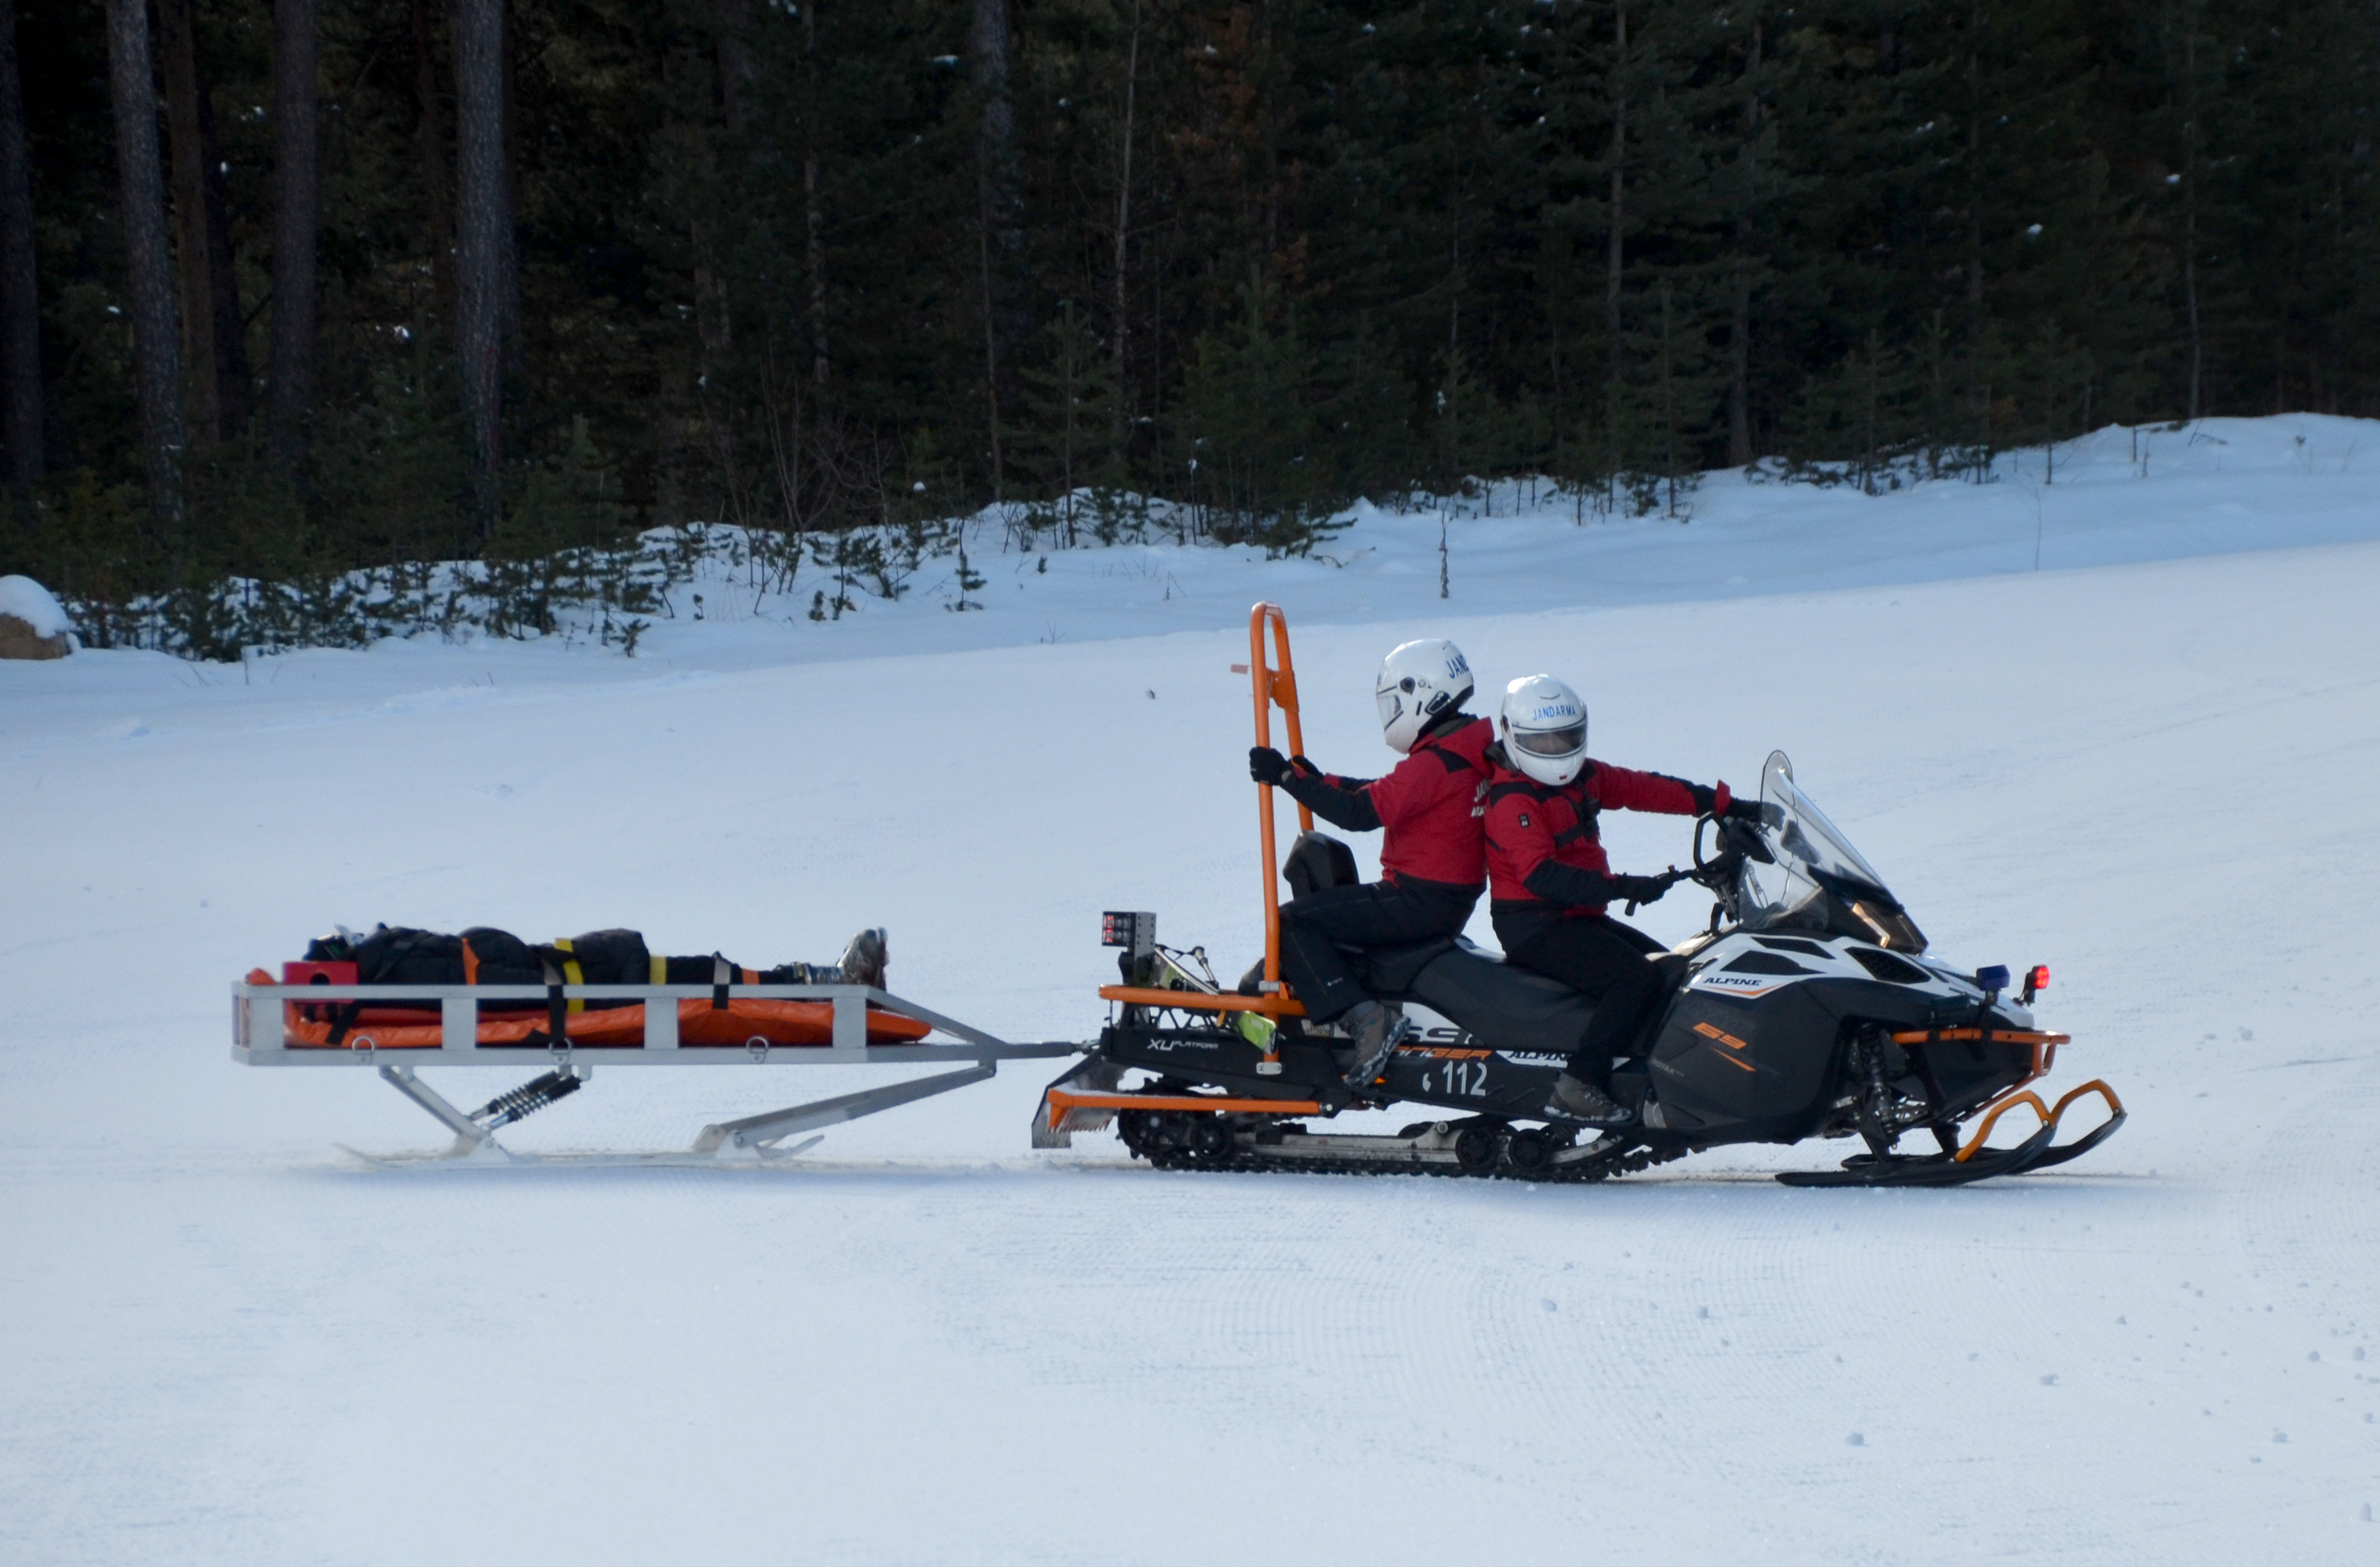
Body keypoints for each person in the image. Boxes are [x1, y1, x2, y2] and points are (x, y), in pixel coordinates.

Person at [1482, 674, 1764, 1125]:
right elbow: (1542, 876)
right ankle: (1581, 1083)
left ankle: (1648, 1076)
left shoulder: (1584, 777)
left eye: (1566, 738)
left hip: (1578, 916)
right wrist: (1622, 887)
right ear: (1513, 736)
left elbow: (1644, 788)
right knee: (1633, 980)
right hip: (1535, 925)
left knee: (1671, 970)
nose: (1557, 750)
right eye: (1545, 741)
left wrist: (1725, 805)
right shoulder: (1511, 800)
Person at [1249, 638, 1494, 1088]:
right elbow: (1384, 793)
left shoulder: (1434, 764)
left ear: (1420, 693)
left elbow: (1359, 813)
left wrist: (1286, 778)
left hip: (1414, 900)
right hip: (1444, 900)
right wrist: (1318, 781)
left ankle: (1366, 1020)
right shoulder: (1463, 751)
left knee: (1288, 924)